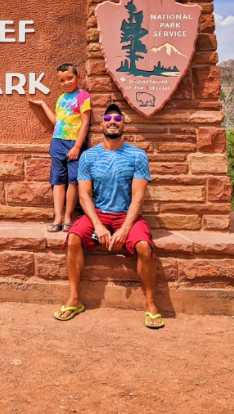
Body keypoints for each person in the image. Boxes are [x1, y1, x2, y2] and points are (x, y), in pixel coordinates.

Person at [53, 103, 164, 329]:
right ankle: (74, 299)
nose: (112, 122)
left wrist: (124, 230)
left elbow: (138, 197)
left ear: (124, 125)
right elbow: (84, 195)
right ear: (101, 125)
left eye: (117, 119)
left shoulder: (137, 156)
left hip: (126, 216)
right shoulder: (88, 156)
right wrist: (98, 225)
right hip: (98, 215)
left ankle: (151, 304)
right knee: (73, 238)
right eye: (107, 119)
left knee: (144, 247)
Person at [28, 63, 91, 232]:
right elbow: (56, 122)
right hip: (57, 143)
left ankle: (68, 217)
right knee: (58, 181)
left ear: (78, 77)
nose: (66, 82)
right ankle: (58, 217)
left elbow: (85, 123)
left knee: (73, 181)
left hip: (74, 144)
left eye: (70, 78)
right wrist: (43, 105)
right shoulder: (61, 98)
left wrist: (77, 147)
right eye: (62, 80)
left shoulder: (83, 97)